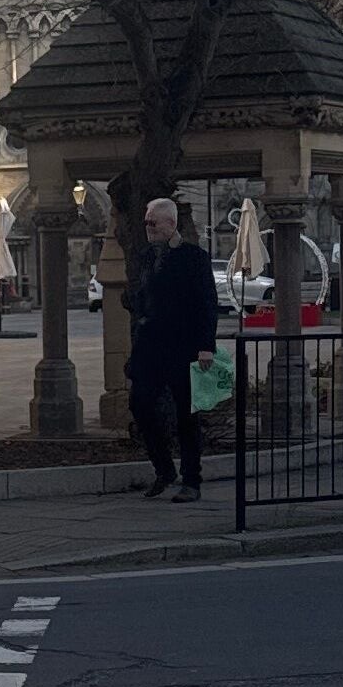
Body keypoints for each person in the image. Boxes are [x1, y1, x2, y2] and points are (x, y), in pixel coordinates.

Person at [126, 197, 217, 501]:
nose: (148, 227)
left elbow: (207, 304)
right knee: (140, 404)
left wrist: (206, 347)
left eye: (153, 222)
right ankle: (164, 469)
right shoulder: (148, 256)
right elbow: (144, 294)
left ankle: (192, 479)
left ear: (171, 224)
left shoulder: (193, 258)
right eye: (146, 222)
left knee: (186, 415)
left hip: (183, 346)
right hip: (151, 347)